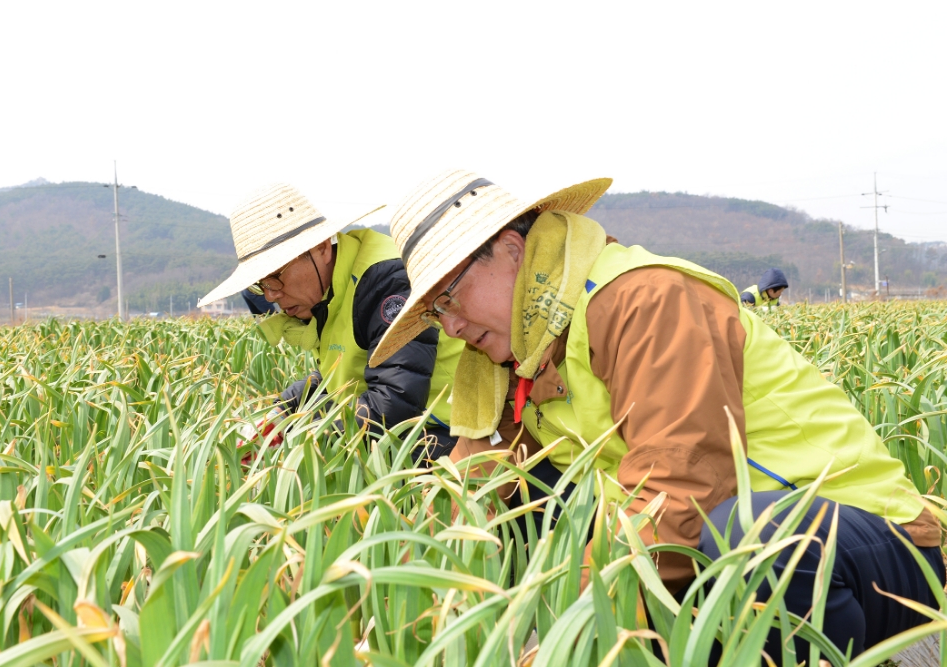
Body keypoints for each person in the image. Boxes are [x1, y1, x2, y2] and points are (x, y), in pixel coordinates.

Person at [368, 170, 943, 662]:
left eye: (448, 296)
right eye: (435, 310)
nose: (448, 325)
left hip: (867, 548)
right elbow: (472, 486)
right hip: (718, 552)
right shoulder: (518, 350)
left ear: (512, 253)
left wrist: (574, 634)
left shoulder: (644, 300)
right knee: (527, 497)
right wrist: (379, 598)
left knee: (750, 537)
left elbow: (681, 485)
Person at [198, 183, 464, 458]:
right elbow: (338, 373)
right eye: (260, 285)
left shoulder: (386, 280)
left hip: (452, 432)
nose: (272, 294)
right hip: (416, 426)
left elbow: (396, 400)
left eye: (276, 275)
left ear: (322, 247)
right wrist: (283, 410)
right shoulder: (327, 293)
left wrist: (298, 441)